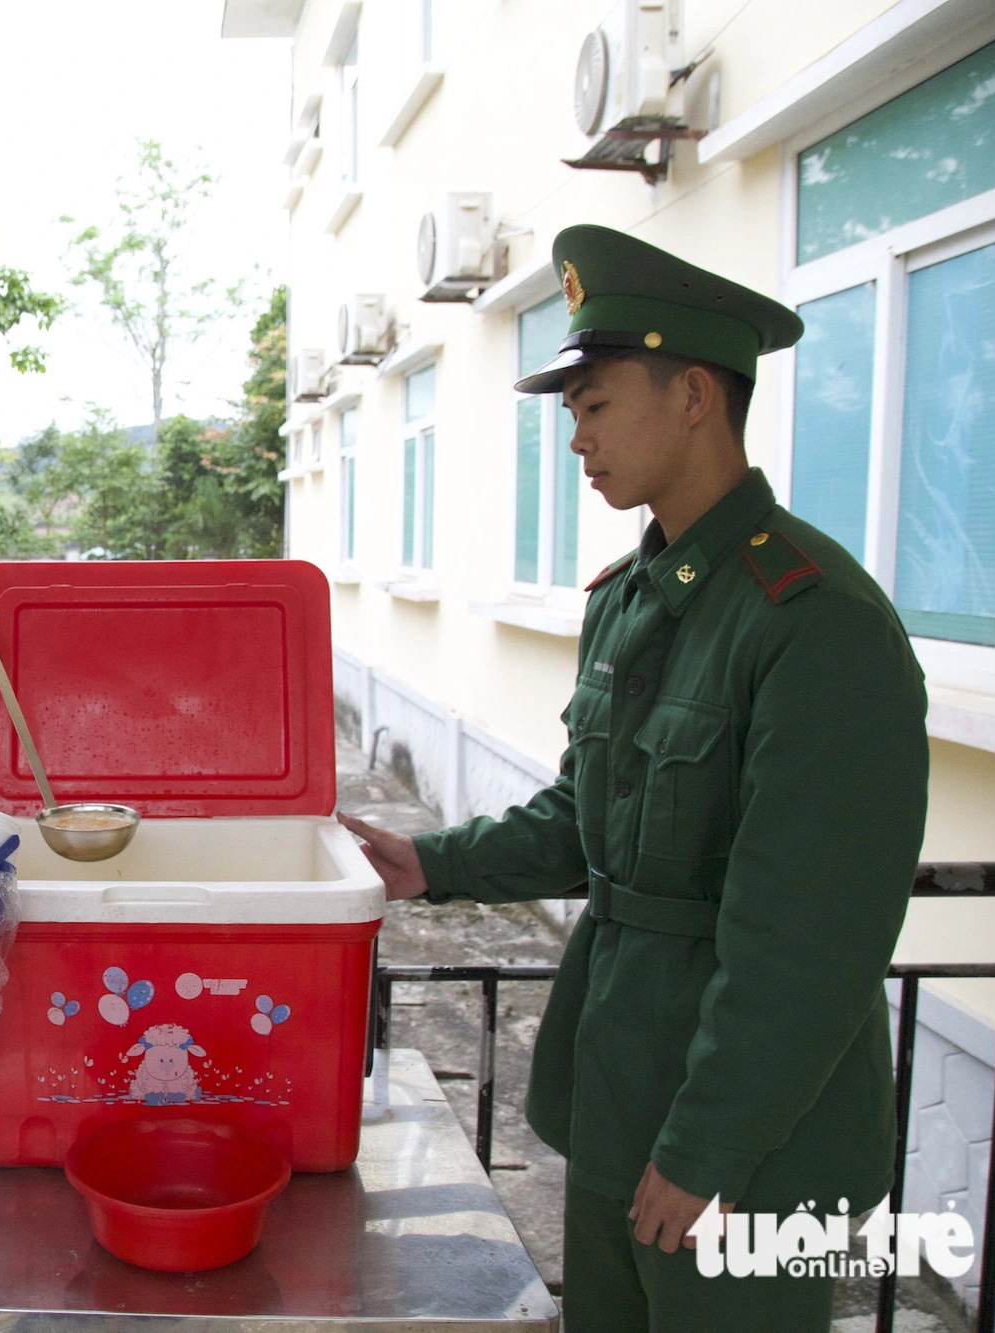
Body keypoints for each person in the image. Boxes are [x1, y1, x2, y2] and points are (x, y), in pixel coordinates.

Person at [341, 226, 929, 1332]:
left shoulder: (813, 623)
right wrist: (432, 861)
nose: (576, 438)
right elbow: (586, 813)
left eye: (595, 404)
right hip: (621, 1085)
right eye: (571, 412)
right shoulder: (630, 595)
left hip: (751, 1135)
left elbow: (808, 938)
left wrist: (710, 1146)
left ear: (694, 393)